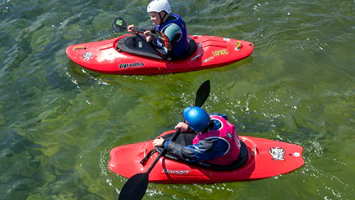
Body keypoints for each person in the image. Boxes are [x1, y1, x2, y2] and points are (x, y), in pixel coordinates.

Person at [153, 106, 242, 166]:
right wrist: (189, 127)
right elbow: (222, 117)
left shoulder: (209, 144)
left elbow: (189, 154)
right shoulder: (216, 117)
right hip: (229, 146)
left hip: (226, 160)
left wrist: (165, 144)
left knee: (191, 157)